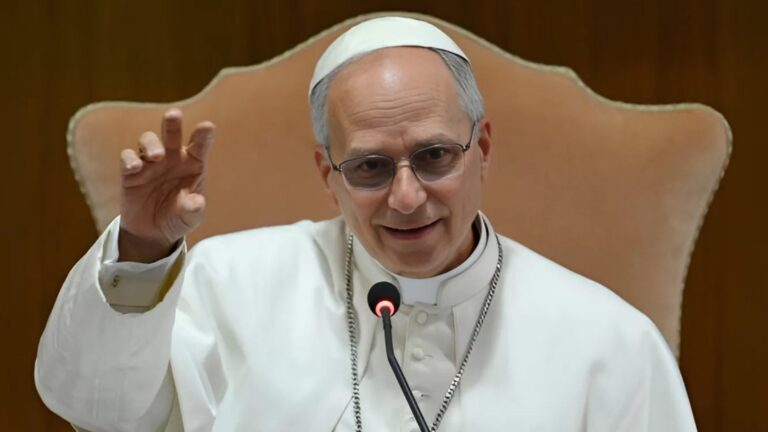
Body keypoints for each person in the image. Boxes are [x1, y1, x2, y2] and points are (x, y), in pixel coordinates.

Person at [35, 16, 697, 432]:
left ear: (483, 149)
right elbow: (100, 411)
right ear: (328, 175)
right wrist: (144, 248)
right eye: (370, 168)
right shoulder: (226, 286)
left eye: (435, 156)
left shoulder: (610, 344)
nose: (406, 198)